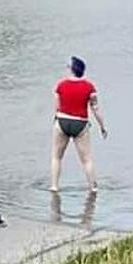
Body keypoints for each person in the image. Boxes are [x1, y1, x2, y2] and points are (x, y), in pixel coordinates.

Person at [51, 56, 107, 193]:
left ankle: (54, 186)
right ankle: (93, 187)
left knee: (56, 157)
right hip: (80, 123)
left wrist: (55, 120)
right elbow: (95, 108)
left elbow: (56, 106)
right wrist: (102, 126)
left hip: (62, 121)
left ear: (72, 69)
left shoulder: (61, 85)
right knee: (86, 159)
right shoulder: (89, 87)